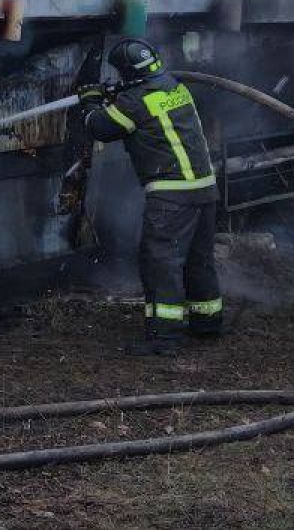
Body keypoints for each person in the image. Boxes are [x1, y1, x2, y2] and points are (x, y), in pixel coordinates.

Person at [81, 39, 222, 355]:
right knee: (198, 261)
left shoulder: (133, 102)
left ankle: (164, 338)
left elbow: (99, 127)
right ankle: (207, 323)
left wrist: (90, 101)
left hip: (172, 196)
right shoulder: (174, 87)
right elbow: (145, 108)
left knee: (161, 262)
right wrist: (116, 96)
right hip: (205, 189)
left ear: (128, 71)